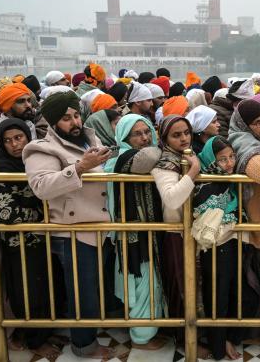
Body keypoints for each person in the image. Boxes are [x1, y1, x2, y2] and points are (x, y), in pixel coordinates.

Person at [23, 91, 115, 359]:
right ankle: (84, 345)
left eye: (76, 115)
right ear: (53, 123)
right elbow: (41, 186)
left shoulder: (89, 138)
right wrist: (79, 167)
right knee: (82, 292)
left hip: (100, 225)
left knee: (94, 287)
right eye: (66, 118)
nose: (74, 122)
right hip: (73, 230)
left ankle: (94, 332)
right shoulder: (41, 148)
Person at [0, 119, 60, 360]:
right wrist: (43, 214)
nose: (14, 145)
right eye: (7, 140)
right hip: (19, 243)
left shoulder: (36, 161)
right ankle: (34, 340)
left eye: (18, 138)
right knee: (28, 291)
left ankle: (46, 332)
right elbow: (7, 213)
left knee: (47, 286)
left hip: (44, 238)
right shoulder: (1, 167)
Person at [104, 114, 167, 350]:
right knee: (141, 283)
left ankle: (148, 330)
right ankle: (141, 338)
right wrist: (167, 150)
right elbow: (150, 155)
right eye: (137, 134)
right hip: (133, 235)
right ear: (124, 137)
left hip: (149, 230)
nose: (144, 137)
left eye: (147, 131)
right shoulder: (122, 157)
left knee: (152, 282)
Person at [150, 115, 209, 357]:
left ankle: (197, 334)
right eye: (176, 135)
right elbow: (172, 198)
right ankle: (185, 340)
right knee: (180, 287)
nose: (184, 138)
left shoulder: (187, 155)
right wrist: (193, 171)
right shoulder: (164, 162)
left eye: (186, 132)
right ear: (164, 139)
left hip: (193, 230)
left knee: (196, 285)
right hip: (175, 232)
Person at [194, 136, 243, 360]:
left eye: (231, 157)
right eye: (222, 159)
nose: (230, 163)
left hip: (230, 244)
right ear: (210, 160)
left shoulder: (229, 180)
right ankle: (218, 344)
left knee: (230, 291)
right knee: (217, 295)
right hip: (215, 247)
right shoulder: (205, 185)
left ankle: (226, 338)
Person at [0, 83, 43, 148]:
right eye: (21, 101)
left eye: (28, 100)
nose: (28, 105)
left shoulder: (29, 123)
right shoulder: (1, 136)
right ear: (7, 107)